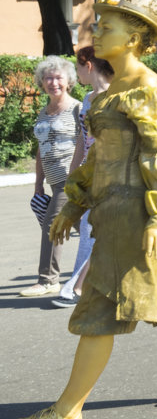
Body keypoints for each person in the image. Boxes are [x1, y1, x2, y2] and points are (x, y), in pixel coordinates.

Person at [8, 0, 157, 419]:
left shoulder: (148, 89)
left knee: (100, 304)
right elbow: (97, 156)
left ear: (133, 37)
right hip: (114, 210)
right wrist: (76, 202)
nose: (96, 31)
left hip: (139, 216)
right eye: (97, 24)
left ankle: (68, 410)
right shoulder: (111, 91)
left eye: (106, 26)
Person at [50, 46, 114, 309]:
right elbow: (83, 139)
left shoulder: (117, 95)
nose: (76, 74)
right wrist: (74, 173)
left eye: (77, 67)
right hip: (89, 175)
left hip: (110, 175)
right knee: (91, 234)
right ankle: (84, 286)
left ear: (88, 65)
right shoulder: (88, 99)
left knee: (98, 233)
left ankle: (76, 286)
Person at [21, 56, 84, 297]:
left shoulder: (77, 108)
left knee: (53, 226)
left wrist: (77, 176)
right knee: (88, 229)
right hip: (54, 180)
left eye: (58, 77)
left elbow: (87, 143)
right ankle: (110, 267)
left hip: (71, 181)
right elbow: (41, 149)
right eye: (48, 77)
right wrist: (38, 182)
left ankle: (48, 280)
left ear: (69, 81)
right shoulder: (43, 112)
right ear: (41, 82)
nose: (53, 82)